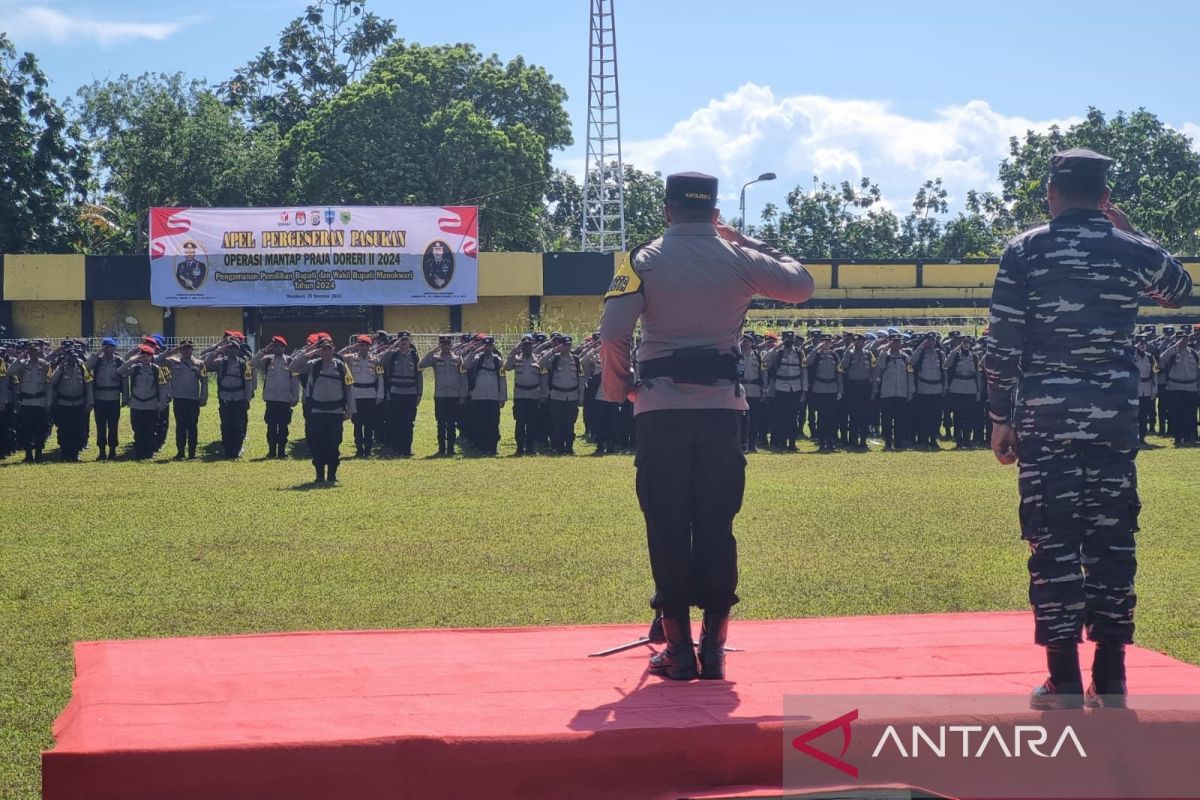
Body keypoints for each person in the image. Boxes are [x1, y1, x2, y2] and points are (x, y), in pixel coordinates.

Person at [986, 148, 1193, 710]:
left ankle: (1064, 678)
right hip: (1113, 418)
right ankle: (1113, 674)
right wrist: (1133, 233)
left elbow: (1002, 344)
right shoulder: (1128, 249)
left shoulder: (1025, 250)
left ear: (1051, 192)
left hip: (1045, 418)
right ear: (1105, 197)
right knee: (1112, 541)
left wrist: (1000, 417)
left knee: (1051, 542)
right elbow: (1179, 289)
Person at [599, 171, 814, 680]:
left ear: (667, 210)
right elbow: (800, 284)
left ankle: (677, 650)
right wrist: (743, 239)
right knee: (717, 525)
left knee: (667, 525)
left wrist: (618, 389)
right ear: (715, 213)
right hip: (722, 412)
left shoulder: (642, 259)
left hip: (660, 410)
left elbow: (611, 334)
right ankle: (714, 649)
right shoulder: (738, 257)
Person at [295, 338, 356, 483]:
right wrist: (310, 352)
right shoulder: (312, 365)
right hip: (317, 412)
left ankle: (332, 475)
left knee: (334, 444)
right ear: (319, 351)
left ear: (333, 349)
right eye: (323, 349)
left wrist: (350, 410)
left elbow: (349, 388)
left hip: (335, 412)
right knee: (318, 444)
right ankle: (320, 475)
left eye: (329, 349)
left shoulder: (342, 366)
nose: (327, 351)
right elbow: (293, 367)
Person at [205, 335, 255, 458]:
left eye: (235, 349)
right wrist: (218, 350)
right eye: (230, 348)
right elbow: (207, 363)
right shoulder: (221, 362)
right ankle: (227, 449)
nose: (232, 351)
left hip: (239, 397)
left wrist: (247, 398)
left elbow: (248, 381)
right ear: (227, 350)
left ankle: (237, 449)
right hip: (225, 397)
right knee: (226, 424)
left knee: (238, 425)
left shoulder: (244, 364)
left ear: (238, 350)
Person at [158, 341, 209, 459]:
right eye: (184, 349)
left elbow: (205, 382)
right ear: (180, 350)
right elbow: (157, 361)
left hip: (193, 400)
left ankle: (192, 453)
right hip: (179, 399)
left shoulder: (199, 364)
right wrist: (171, 352)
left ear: (192, 350)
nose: (187, 351)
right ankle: (180, 452)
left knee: (192, 426)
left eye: (189, 349)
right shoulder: (173, 362)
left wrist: (203, 397)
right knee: (180, 426)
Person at [419, 335, 467, 455]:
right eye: (443, 343)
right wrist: (433, 351)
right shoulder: (435, 358)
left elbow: (463, 378)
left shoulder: (458, 359)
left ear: (451, 344)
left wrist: (463, 395)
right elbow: (421, 365)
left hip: (454, 395)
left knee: (451, 423)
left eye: (448, 343)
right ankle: (441, 449)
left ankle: (450, 449)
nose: (446, 346)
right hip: (440, 396)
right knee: (440, 423)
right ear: (440, 345)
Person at [119, 345, 169, 459]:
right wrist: (131, 360)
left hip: (151, 405)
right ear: (139, 357)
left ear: (152, 357)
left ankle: (149, 452)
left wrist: (161, 403)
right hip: (137, 404)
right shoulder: (135, 369)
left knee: (151, 429)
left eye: (148, 356)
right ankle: (139, 452)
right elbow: (121, 370)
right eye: (143, 356)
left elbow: (162, 387)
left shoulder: (157, 369)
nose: (145, 358)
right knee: (138, 429)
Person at [254, 336, 299, 458]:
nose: (277, 348)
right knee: (271, 427)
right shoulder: (267, 360)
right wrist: (264, 350)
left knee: (284, 427)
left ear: (284, 348)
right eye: (275, 346)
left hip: (285, 400)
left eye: (280, 346)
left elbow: (295, 381)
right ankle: (272, 451)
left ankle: (282, 452)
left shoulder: (290, 361)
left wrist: (295, 397)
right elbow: (253, 363)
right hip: (271, 399)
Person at [540, 335, 585, 454]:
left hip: (572, 396)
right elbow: (540, 363)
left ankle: (569, 447)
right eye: (564, 345)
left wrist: (581, 396)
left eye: (569, 345)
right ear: (561, 345)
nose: (567, 348)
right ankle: (559, 447)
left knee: (570, 423)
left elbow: (580, 379)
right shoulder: (554, 359)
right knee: (558, 423)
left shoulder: (576, 360)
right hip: (557, 396)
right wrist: (553, 350)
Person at [48, 343, 93, 461]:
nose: (72, 359)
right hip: (63, 404)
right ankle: (65, 452)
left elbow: (88, 385)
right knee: (64, 430)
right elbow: (52, 382)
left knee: (78, 429)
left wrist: (90, 402)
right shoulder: (60, 368)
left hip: (79, 404)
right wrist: (60, 368)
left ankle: (75, 453)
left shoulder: (83, 368)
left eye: (74, 356)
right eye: (69, 356)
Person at [9, 340, 52, 462]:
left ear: (39, 351)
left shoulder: (45, 365)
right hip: (26, 403)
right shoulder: (23, 364)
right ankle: (28, 455)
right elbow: (10, 372)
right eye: (31, 351)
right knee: (26, 430)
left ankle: (38, 454)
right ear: (28, 351)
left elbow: (49, 385)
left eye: (35, 351)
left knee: (40, 430)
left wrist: (48, 404)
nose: (33, 353)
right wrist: (20, 358)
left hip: (40, 402)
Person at [343, 335, 384, 457]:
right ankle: (359, 448)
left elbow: (380, 378)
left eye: (366, 345)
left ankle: (368, 448)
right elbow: (338, 355)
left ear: (370, 346)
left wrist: (380, 395)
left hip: (370, 394)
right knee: (357, 423)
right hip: (355, 395)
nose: (364, 347)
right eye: (361, 345)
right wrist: (351, 347)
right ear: (358, 346)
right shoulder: (350, 358)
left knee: (369, 424)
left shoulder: (376, 360)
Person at [382, 332, 423, 456]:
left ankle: (406, 448)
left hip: (410, 393)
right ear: (398, 341)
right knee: (396, 422)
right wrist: (391, 347)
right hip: (395, 392)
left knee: (408, 422)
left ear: (409, 341)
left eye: (406, 340)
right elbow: (381, 362)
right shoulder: (393, 355)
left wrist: (419, 393)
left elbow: (419, 377)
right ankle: (396, 447)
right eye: (401, 340)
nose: (404, 342)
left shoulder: (415, 356)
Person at [86, 338, 125, 461]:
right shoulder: (97, 361)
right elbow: (86, 367)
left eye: (111, 347)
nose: (108, 350)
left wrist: (125, 397)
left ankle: (112, 450)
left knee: (113, 425)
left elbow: (124, 380)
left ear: (114, 348)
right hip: (100, 398)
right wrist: (98, 353)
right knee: (100, 426)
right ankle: (102, 451)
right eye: (106, 347)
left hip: (113, 397)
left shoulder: (118, 361)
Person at [467, 336, 507, 455]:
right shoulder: (476, 359)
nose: (488, 348)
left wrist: (503, 397)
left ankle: (493, 447)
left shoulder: (498, 360)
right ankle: (482, 447)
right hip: (478, 396)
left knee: (493, 423)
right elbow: (465, 365)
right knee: (479, 422)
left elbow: (502, 379)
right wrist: (474, 352)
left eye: (490, 346)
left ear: (493, 347)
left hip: (493, 396)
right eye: (486, 346)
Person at [1158, 331, 1199, 445]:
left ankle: (1188, 437)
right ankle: (1178, 437)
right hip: (1175, 388)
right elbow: (1161, 360)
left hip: (1191, 388)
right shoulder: (1172, 354)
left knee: (1190, 414)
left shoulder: (1194, 354)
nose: (1183, 341)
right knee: (1176, 414)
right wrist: (1174, 346)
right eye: (1180, 339)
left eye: (1185, 339)